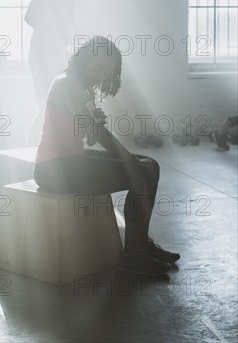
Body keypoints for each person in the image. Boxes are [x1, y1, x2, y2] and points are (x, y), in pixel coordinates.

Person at [34, 35, 180, 276]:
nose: (99, 75)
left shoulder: (84, 90)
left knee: (151, 165)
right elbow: (100, 135)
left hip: (73, 160)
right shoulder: (65, 83)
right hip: (53, 169)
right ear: (84, 59)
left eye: (105, 72)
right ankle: (131, 257)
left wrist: (94, 126)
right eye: (97, 67)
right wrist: (127, 158)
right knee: (139, 171)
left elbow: (90, 137)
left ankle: (141, 243)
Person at [25, 0, 74, 144]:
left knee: (59, 103)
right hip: (41, 56)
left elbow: (70, 26)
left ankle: (54, 146)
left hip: (59, 55)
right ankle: (33, 147)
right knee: (44, 104)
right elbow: (31, 19)